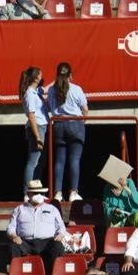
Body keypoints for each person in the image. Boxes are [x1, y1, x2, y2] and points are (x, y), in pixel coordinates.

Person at [47, 62, 88, 202]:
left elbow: (49, 107)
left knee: (59, 160)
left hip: (58, 124)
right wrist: (82, 122)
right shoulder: (76, 89)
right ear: (71, 75)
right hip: (75, 124)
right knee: (74, 159)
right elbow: (85, 109)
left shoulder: (52, 90)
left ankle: (57, 193)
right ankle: (73, 192)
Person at [7, 180, 66, 275]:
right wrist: (14, 236)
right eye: (35, 193)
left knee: (58, 247)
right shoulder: (19, 209)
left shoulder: (52, 209)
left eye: (40, 193)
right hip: (25, 242)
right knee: (14, 247)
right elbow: (11, 228)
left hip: (47, 242)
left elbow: (61, 227)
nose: (39, 195)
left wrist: (60, 234)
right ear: (29, 194)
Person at [18, 66, 47, 194]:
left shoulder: (37, 91)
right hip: (37, 127)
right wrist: (38, 136)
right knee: (33, 161)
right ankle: (27, 192)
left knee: (40, 162)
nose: (42, 77)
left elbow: (47, 88)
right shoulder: (30, 93)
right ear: (35, 77)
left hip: (42, 126)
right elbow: (31, 115)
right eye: (40, 75)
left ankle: (36, 190)